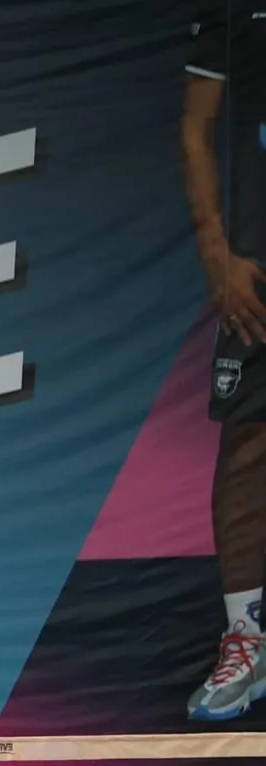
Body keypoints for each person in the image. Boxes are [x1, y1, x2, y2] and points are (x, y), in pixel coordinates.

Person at [184, 18, 266, 719]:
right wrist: (217, 251)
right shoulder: (236, 10)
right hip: (257, 269)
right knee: (247, 448)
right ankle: (248, 637)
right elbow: (195, 127)